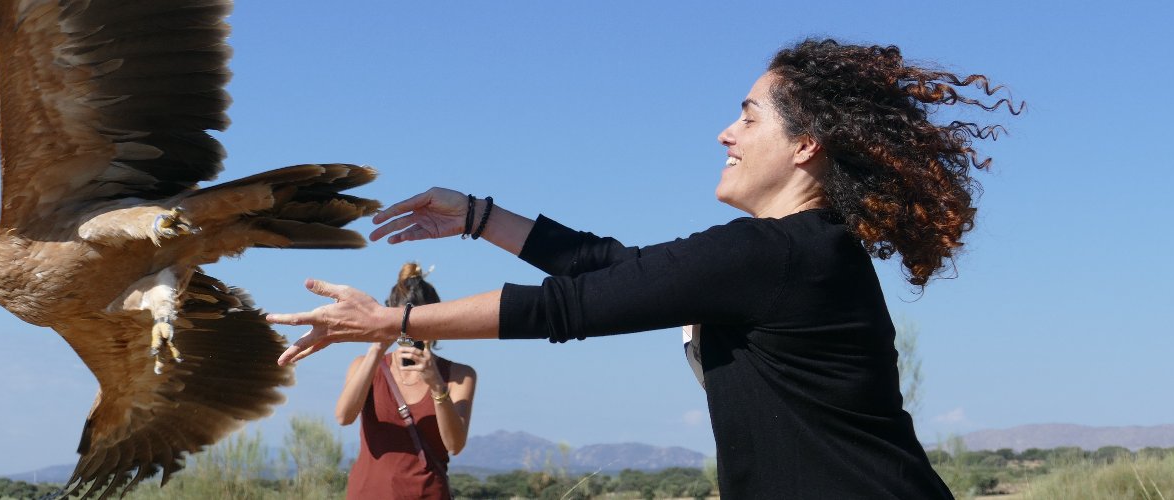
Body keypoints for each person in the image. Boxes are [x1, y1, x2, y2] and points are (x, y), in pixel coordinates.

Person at [268, 39, 1022, 498]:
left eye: (749, 116)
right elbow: (613, 269)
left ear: (805, 145)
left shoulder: (777, 253)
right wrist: (478, 216)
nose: (725, 133)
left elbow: (571, 306)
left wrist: (390, 320)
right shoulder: (797, 253)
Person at [335, 262, 476, 499]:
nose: (410, 334)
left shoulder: (459, 375)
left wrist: (436, 385)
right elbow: (343, 417)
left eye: (419, 325)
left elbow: (454, 445)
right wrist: (377, 348)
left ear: (437, 321)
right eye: (404, 325)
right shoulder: (365, 365)